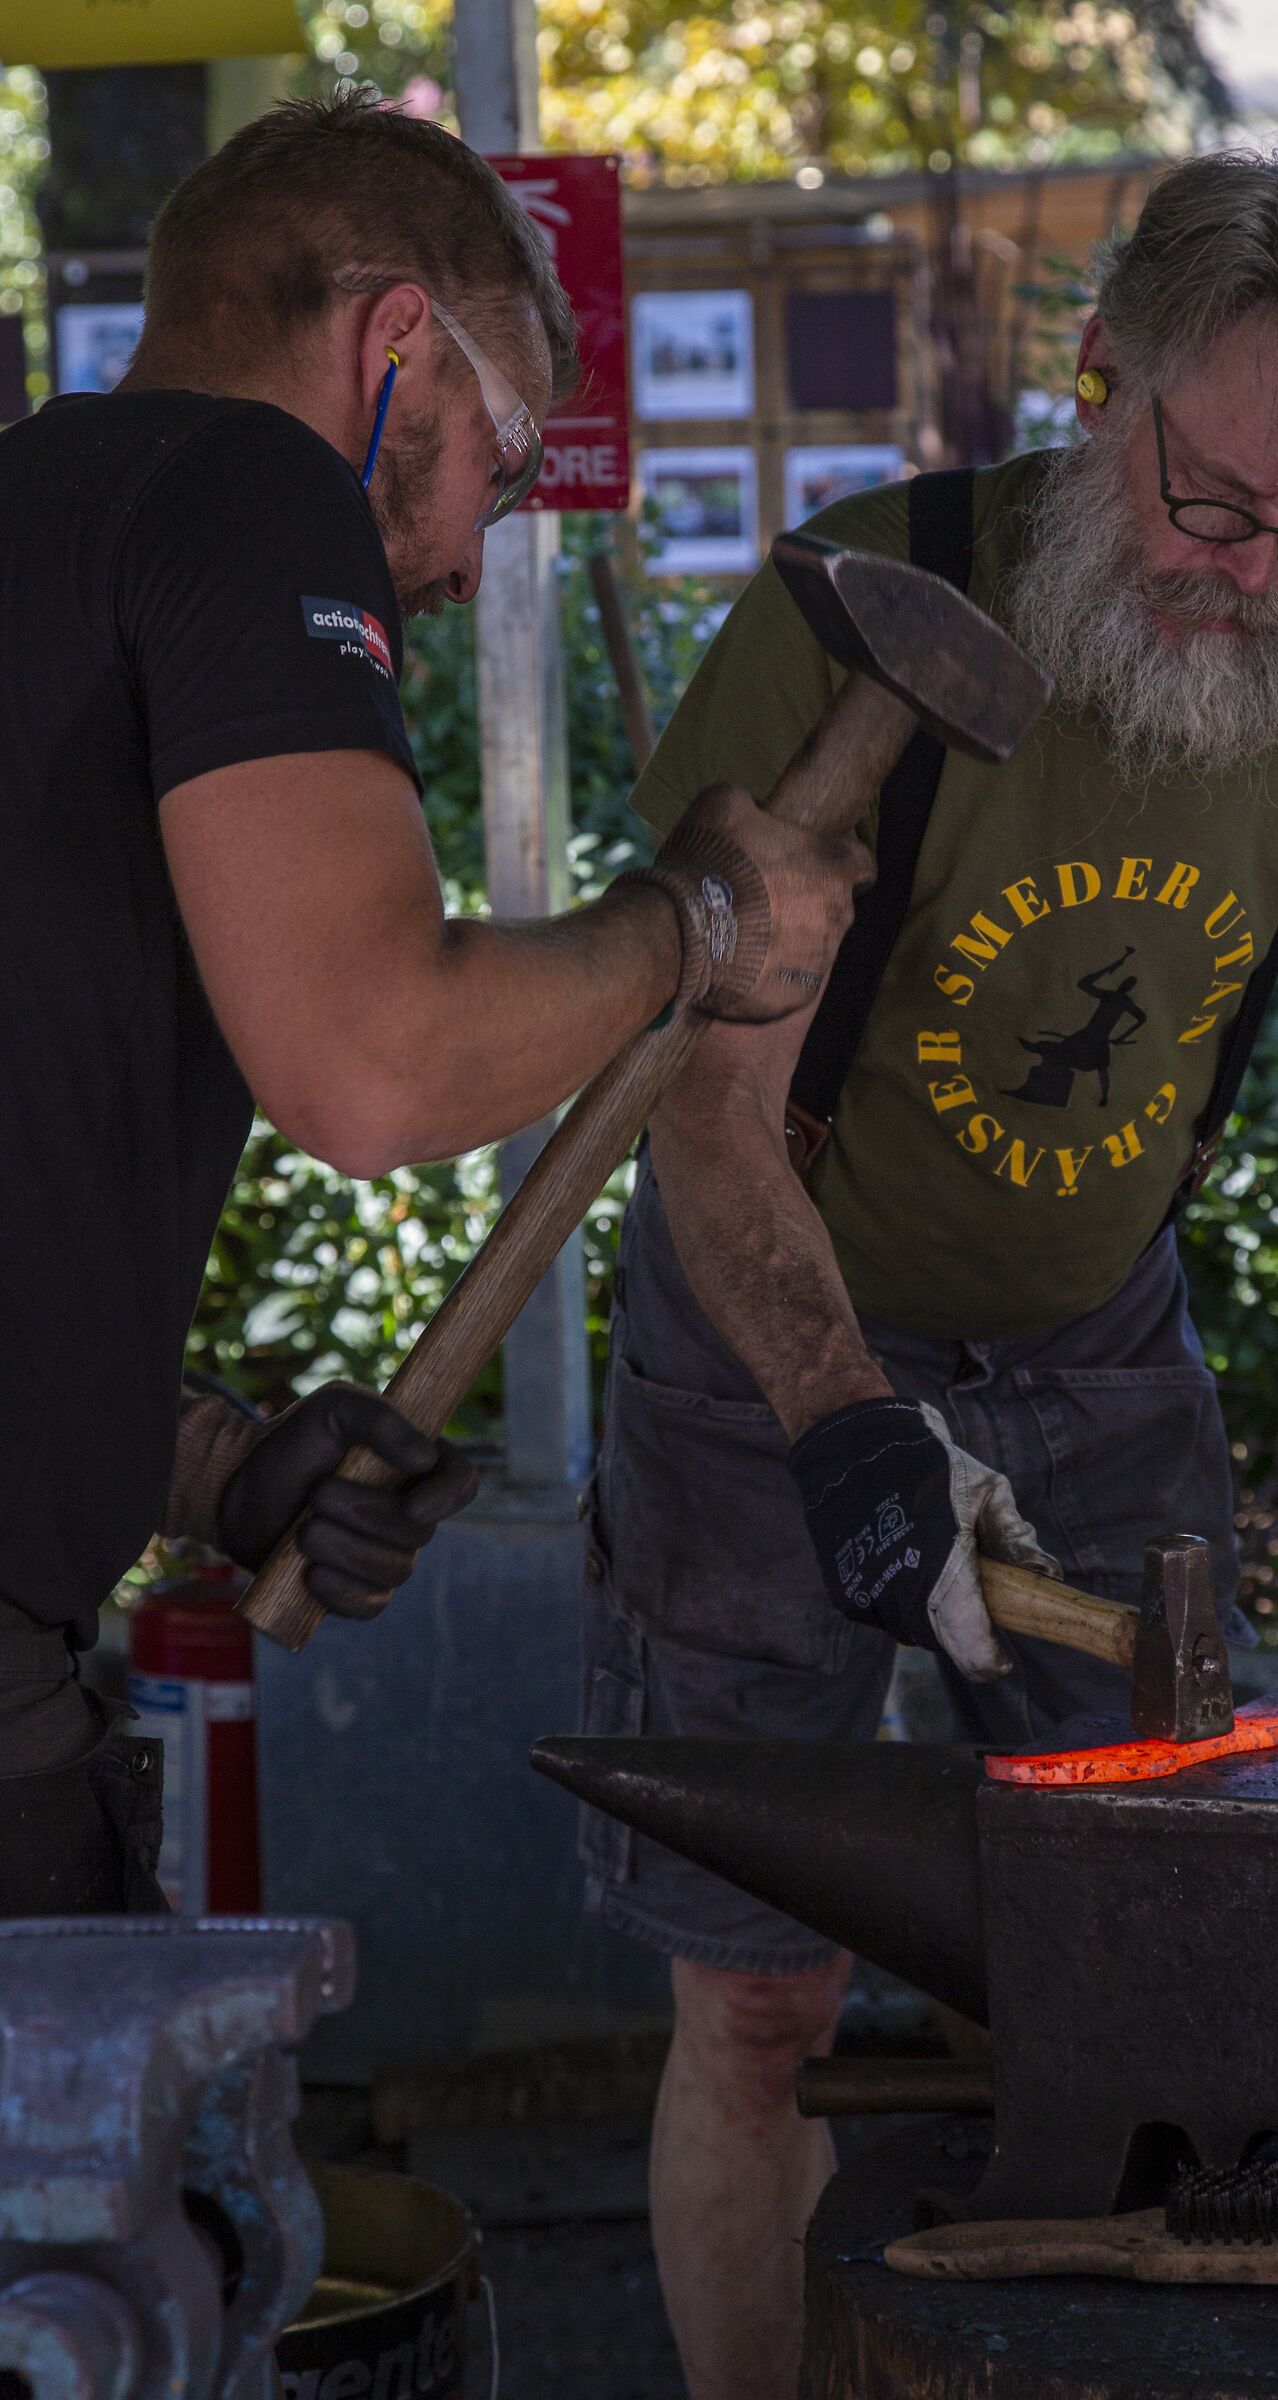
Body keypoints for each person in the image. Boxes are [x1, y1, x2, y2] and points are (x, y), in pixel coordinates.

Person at [579, 144, 1278, 2400]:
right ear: (1100, 370)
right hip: (774, 1336)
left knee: (1176, 1972)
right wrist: (852, 1430)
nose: (1253, 581)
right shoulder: (863, 607)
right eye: (1214, 510)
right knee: (757, 1998)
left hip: (1100, 1348)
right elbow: (703, 1107)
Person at [0, 96, 865, 1914]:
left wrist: (205, 1461)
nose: (477, 556)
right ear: (394, 339)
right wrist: (695, 922)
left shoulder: (40, 525)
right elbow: (376, 1069)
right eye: (507, 458)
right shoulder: (248, 488)